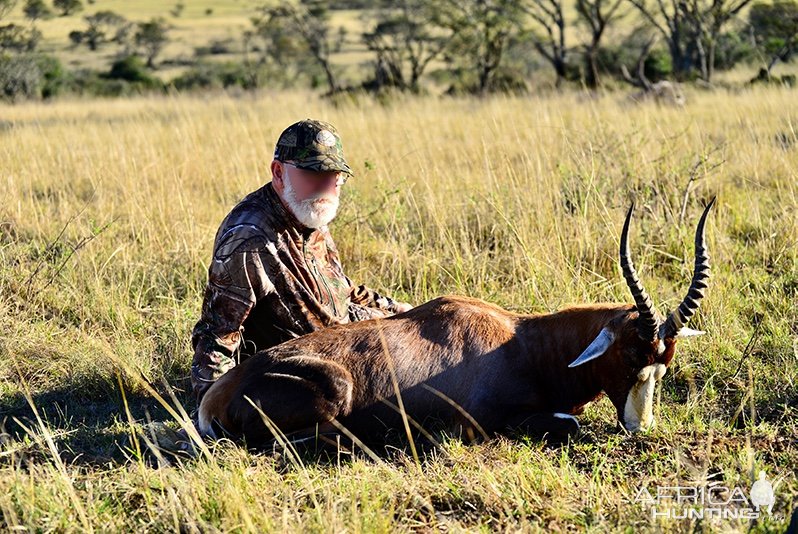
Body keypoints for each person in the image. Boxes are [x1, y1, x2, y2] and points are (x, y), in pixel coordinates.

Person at [190, 119, 412, 404]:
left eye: (335, 175)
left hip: (342, 341)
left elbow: (342, 288)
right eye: (312, 173)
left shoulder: (310, 210)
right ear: (278, 172)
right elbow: (217, 336)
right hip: (299, 373)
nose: (327, 184)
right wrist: (213, 406)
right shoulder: (249, 238)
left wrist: (400, 310)